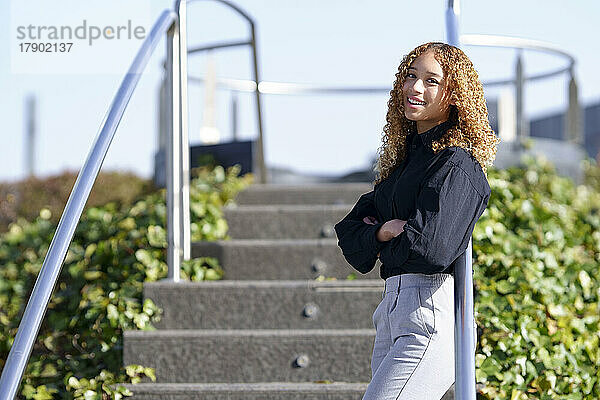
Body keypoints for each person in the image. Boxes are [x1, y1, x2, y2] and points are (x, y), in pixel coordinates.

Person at [333, 42, 501, 399]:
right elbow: (349, 235)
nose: (415, 87)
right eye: (411, 76)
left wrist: (383, 241)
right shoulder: (405, 167)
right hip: (391, 314)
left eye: (431, 81)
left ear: (454, 95)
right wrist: (383, 231)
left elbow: (431, 249)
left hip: (429, 313)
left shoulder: (456, 165)